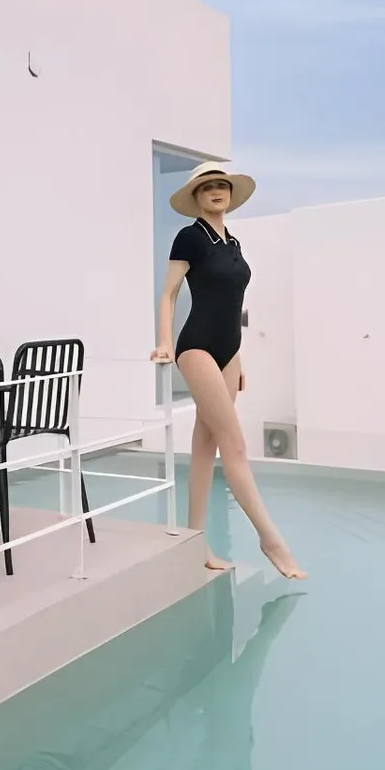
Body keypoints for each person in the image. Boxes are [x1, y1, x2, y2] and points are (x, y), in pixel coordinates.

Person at [151, 162, 306, 579]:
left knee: (206, 445)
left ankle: (195, 540)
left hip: (229, 354)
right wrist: (165, 342)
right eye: (208, 188)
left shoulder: (233, 243)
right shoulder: (190, 238)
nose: (217, 191)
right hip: (197, 348)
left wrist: (239, 359)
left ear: (230, 194)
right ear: (197, 197)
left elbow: (231, 305)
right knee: (234, 445)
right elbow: (168, 295)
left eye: (222, 185)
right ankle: (271, 540)